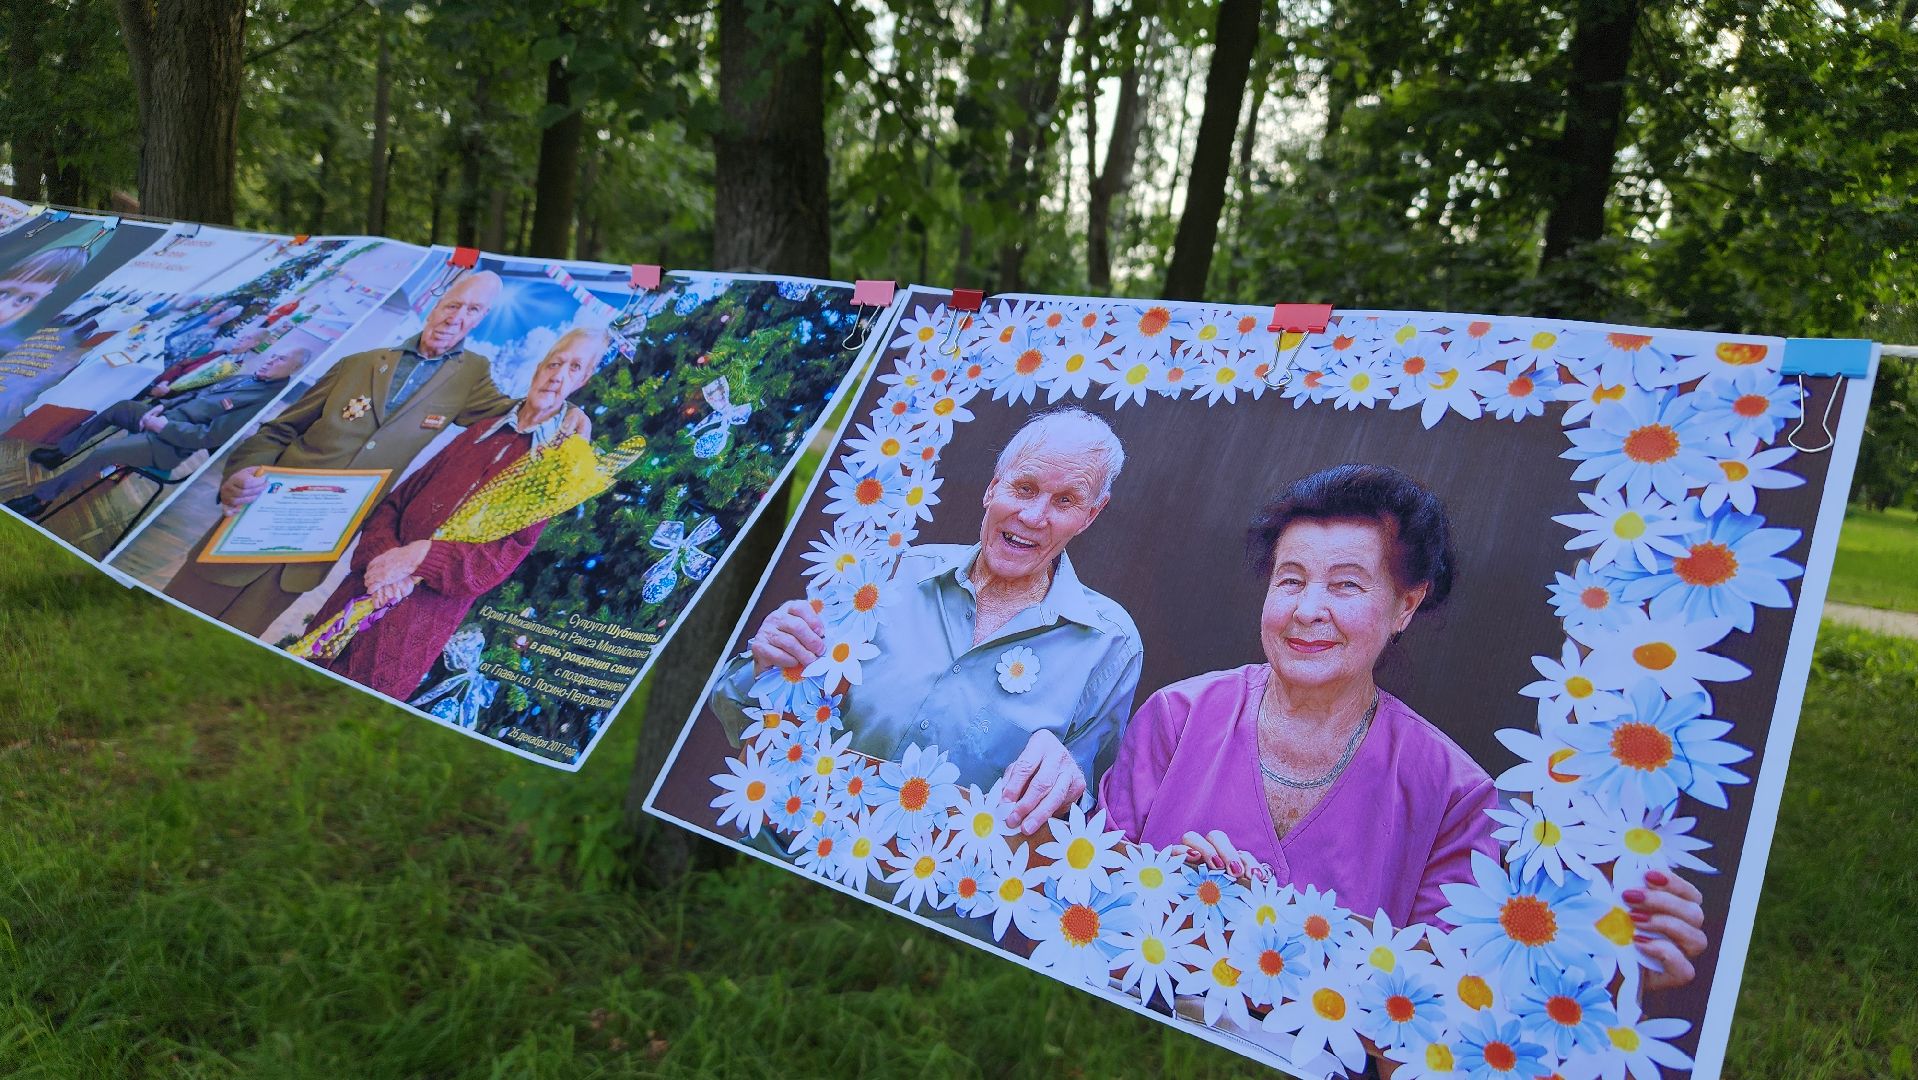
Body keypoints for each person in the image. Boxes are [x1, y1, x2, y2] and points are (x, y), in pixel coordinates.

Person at [1097, 463, 1708, 988]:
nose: (1308, 610)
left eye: (1346, 585)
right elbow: (1089, 904)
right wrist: (1179, 901)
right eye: (1290, 580)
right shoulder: (1177, 717)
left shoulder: (1454, 794)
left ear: (1406, 605)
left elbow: (1429, 1006)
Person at [710, 407, 1143, 834]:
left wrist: (1067, 785)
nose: (1033, 517)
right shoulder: (888, 574)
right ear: (993, 488)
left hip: (947, 897)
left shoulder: (1109, 645)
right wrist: (767, 665)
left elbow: (1091, 812)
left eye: (1065, 501)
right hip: (801, 850)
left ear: (1090, 515)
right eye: (1024, 488)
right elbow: (738, 711)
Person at [163, 269, 586, 638]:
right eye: (453, 304)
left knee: (229, 646)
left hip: (309, 551)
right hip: (253, 524)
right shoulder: (359, 362)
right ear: (435, 301)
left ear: (481, 320)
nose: (457, 317)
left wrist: (572, 410)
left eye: (473, 311)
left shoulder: (471, 375)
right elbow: (278, 431)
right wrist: (241, 472)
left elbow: (525, 411)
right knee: (164, 621)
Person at [300, 329, 607, 700]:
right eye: (554, 363)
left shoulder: (553, 466)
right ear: (539, 367)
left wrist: (420, 559)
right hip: (362, 588)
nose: (558, 375)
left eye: (574, 368)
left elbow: (499, 561)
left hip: (412, 625)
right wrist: (385, 563)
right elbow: (395, 504)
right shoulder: (481, 430)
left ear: (584, 380)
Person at [3, 349, 307, 519]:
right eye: (273, 356)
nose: (270, 359)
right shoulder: (245, 378)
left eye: (281, 359)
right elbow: (194, 399)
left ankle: (40, 499)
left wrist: (163, 426)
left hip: (169, 445)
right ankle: (61, 452)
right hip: (161, 420)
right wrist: (160, 409)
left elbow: (209, 437)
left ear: (293, 370)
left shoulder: (261, 400)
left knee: (104, 453)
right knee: (120, 407)